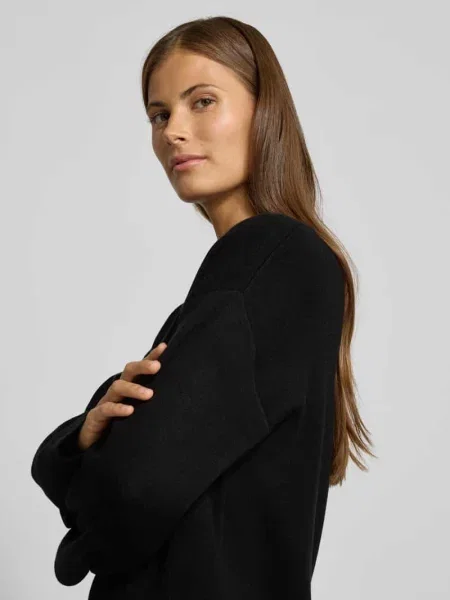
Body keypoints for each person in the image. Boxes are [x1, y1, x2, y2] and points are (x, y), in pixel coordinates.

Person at [31, 15, 376, 600]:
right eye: (159, 115)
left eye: (202, 102)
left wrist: (74, 473)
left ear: (265, 111)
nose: (173, 131)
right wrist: (87, 437)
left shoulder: (271, 255)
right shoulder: (262, 269)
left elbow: (135, 487)